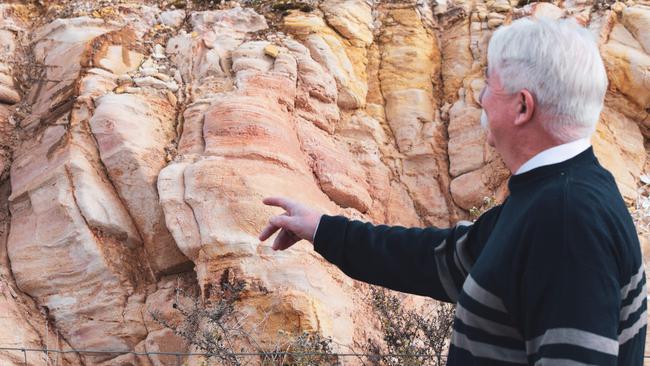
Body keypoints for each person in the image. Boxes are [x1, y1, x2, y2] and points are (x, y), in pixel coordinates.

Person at [258, 17, 647, 365]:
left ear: (522, 107)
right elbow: (439, 261)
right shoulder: (557, 192)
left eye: (489, 86)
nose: (480, 98)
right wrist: (323, 228)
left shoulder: (566, 220)